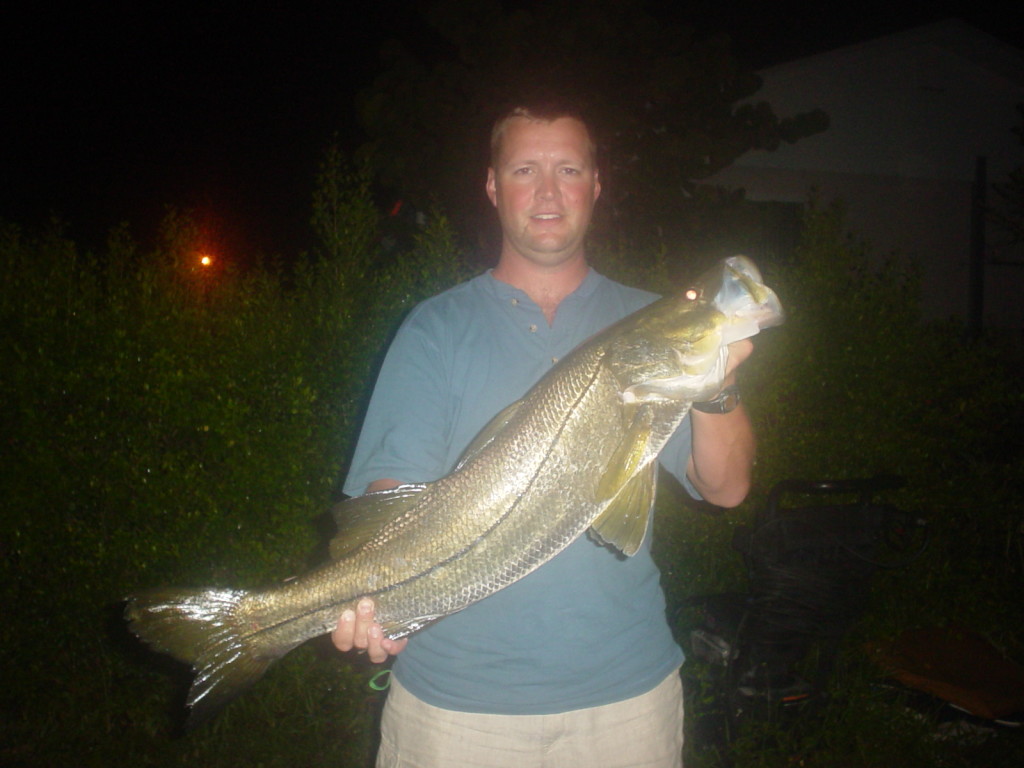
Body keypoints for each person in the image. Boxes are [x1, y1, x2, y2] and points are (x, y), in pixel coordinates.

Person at [332, 102, 755, 767]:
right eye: (526, 170)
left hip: (627, 703)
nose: (550, 191)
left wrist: (717, 385)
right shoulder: (434, 328)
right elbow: (393, 490)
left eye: (569, 169)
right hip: (455, 712)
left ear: (596, 185)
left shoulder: (648, 321)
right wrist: (377, 595)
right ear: (494, 188)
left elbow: (725, 488)